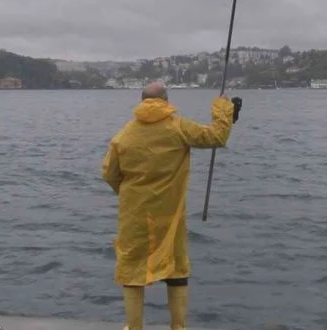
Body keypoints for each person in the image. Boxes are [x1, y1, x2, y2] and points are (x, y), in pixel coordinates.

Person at [101, 82, 241, 330]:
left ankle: (134, 327)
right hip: (171, 213)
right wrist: (223, 109)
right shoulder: (178, 127)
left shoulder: (124, 135)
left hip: (134, 214)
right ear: (166, 101)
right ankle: (178, 327)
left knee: (133, 270)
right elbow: (217, 136)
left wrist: (130, 194)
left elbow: (110, 174)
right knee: (176, 269)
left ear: (141, 100)